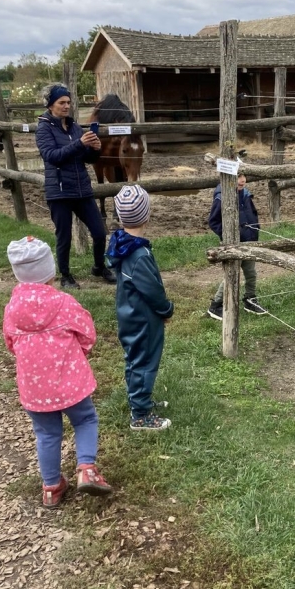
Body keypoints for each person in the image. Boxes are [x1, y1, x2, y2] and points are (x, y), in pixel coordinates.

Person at [3, 236, 112, 508]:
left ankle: (51, 487)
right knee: (85, 419)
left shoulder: (12, 309)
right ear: (50, 272)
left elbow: (10, 343)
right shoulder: (64, 302)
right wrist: (81, 352)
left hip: (35, 388)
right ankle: (86, 468)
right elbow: (87, 332)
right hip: (71, 381)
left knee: (47, 433)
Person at [106, 185, 174, 432]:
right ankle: (141, 415)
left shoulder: (122, 243)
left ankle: (140, 400)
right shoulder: (139, 254)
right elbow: (152, 290)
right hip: (143, 319)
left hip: (129, 314)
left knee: (135, 360)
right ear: (146, 215)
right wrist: (166, 309)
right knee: (144, 362)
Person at [36, 82, 116, 289]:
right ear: (50, 105)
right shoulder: (44, 128)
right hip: (59, 192)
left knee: (99, 233)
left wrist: (94, 149)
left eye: (68, 102)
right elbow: (52, 156)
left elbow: (86, 158)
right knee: (64, 236)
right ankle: (65, 275)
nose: (66, 106)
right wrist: (80, 143)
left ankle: (99, 267)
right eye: (61, 102)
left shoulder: (74, 127)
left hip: (82, 189)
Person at [207, 174, 267, 320]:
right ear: (229, 177)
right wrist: (229, 234)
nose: (242, 180)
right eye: (238, 176)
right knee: (232, 274)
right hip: (233, 244)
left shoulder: (245, 194)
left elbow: (253, 214)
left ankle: (250, 300)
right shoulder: (221, 197)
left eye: (244, 176)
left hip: (249, 241)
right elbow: (213, 221)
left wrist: (255, 230)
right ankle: (216, 305)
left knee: (251, 273)